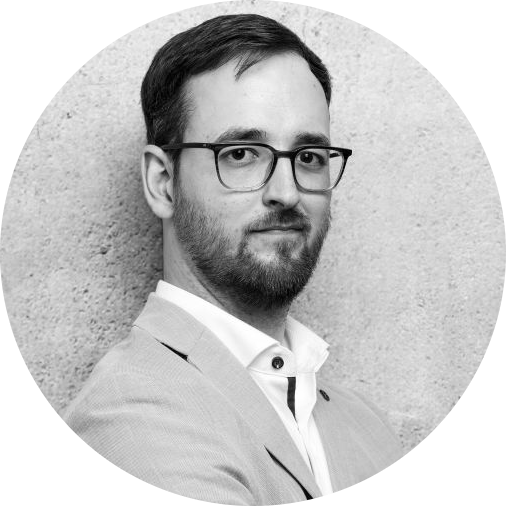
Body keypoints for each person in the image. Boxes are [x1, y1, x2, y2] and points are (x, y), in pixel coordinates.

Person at [63, 13, 401, 505]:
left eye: (308, 157)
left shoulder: (365, 424)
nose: (287, 192)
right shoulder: (129, 416)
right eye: (241, 154)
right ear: (163, 182)